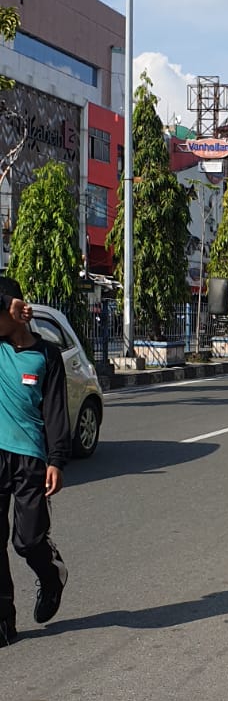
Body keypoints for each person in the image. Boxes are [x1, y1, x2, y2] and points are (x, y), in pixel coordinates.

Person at [0, 276, 70, 645]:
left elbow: (57, 412)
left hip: (30, 459)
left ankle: (51, 573)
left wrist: (56, 459)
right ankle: (4, 621)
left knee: (27, 541)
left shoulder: (47, 356)